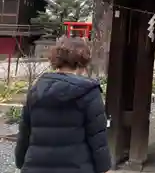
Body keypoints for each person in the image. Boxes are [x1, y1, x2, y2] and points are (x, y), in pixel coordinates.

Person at [15, 37, 112, 173]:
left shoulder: (36, 89)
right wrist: (104, 168)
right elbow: (97, 137)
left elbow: (25, 132)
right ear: (82, 63)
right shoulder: (89, 92)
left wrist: (20, 161)